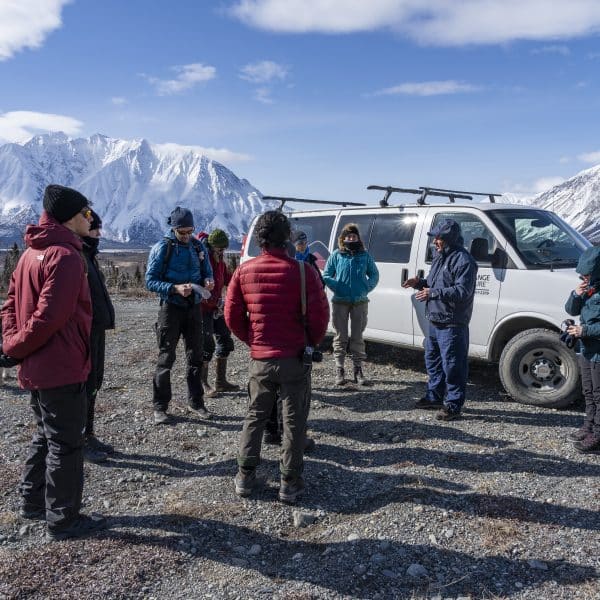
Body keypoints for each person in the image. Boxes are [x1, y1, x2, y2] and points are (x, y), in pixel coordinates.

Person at [1, 184, 106, 541]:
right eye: (86, 214)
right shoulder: (65, 256)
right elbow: (50, 316)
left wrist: (13, 344)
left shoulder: (31, 253)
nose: (89, 219)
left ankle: (32, 502)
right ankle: (63, 518)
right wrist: (16, 347)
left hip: (37, 362)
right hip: (60, 363)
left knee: (45, 434)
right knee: (66, 442)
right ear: (70, 217)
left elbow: (10, 304)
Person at [225, 210, 329, 502]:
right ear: (287, 238)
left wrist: (254, 341)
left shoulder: (244, 271)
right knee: (294, 421)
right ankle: (289, 482)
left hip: (261, 359)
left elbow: (231, 316)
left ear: (260, 239)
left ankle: (246, 476)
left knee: (255, 416)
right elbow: (321, 316)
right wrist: (311, 342)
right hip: (295, 357)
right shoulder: (304, 271)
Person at [402, 219, 478, 421]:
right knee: (433, 362)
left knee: (453, 366)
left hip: (452, 323)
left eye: (438, 238)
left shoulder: (464, 260)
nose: (434, 241)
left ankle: (453, 406)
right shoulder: (439, 257)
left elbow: (462, 291)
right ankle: (434, 397)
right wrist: (419, 283)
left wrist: (432, 292)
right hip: (435, 321)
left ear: (449, 239)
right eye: (434, 237)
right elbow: (435, 284)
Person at [145, 207, 214, 425]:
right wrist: (174, 288)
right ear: (173, 228)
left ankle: (196, 402)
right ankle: (160, 407)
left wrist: (208, 281)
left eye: (189, 231)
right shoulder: (162, 248)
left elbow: (207, 271)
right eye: (182, 232)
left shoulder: (197, 245)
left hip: (193, 308)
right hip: (171, 308)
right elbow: (150, 281)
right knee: (166, 357)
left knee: (196, 356)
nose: (186, 236)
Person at [322, 223, 379, 386]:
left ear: (357, 238)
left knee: (357, 336)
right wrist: (338, 287)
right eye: (348, 236)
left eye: (354, 236)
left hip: (360, 302)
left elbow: (374, 274)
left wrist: (365, 288)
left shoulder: (364, 256)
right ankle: (339, 369)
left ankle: (358, 369)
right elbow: (327, 275)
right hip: (340, 301)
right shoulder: (337, 255)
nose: (351, 238)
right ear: (343, 238)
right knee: (341, 336)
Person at [81, 210, 116, 462]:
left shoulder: (89, 256)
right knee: (84, 385)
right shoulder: (78, 257)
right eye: (94, 230)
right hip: (84, 333)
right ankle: (80, 440)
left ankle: (88, 434)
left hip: (96, 330)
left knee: (95, 382)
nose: (98, 235)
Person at [564, 246, 600, 453]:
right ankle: (589, 426)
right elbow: (571, 309)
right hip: (587, 350)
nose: (583, 277)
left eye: (587, 273)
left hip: (598, 352)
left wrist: (584, 330)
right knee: (588, 391)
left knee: (598, 394)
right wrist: (576, 295)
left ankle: (598, 434)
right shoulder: (589, 288)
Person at [199, 228, 239, 396]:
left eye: (224, 249)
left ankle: (220, 381)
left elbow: (227, 278)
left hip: (216, 307)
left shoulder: (220, 259)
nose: (223, 251)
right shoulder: (203, 259)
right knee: (207, 345)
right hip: (202, 309)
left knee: (225, 339)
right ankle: (203, 383)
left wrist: (239, 282)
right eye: (220, 248)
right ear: (212, 246)